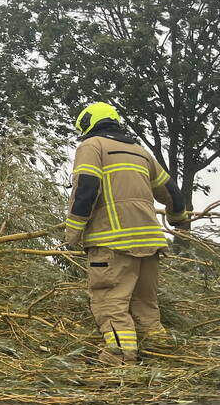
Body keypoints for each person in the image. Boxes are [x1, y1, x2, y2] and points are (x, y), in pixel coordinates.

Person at [65, 102, 188, 364]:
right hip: (150, 243)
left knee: (110, 303)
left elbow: (86, 188)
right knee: (146, 307)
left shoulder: (92, 146)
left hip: (112, 243)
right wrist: (178, 218)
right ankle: (163, 358)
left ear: (87, 125)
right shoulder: (140, 152)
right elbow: (173, 193)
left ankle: (119, 360)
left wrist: (72, 233)